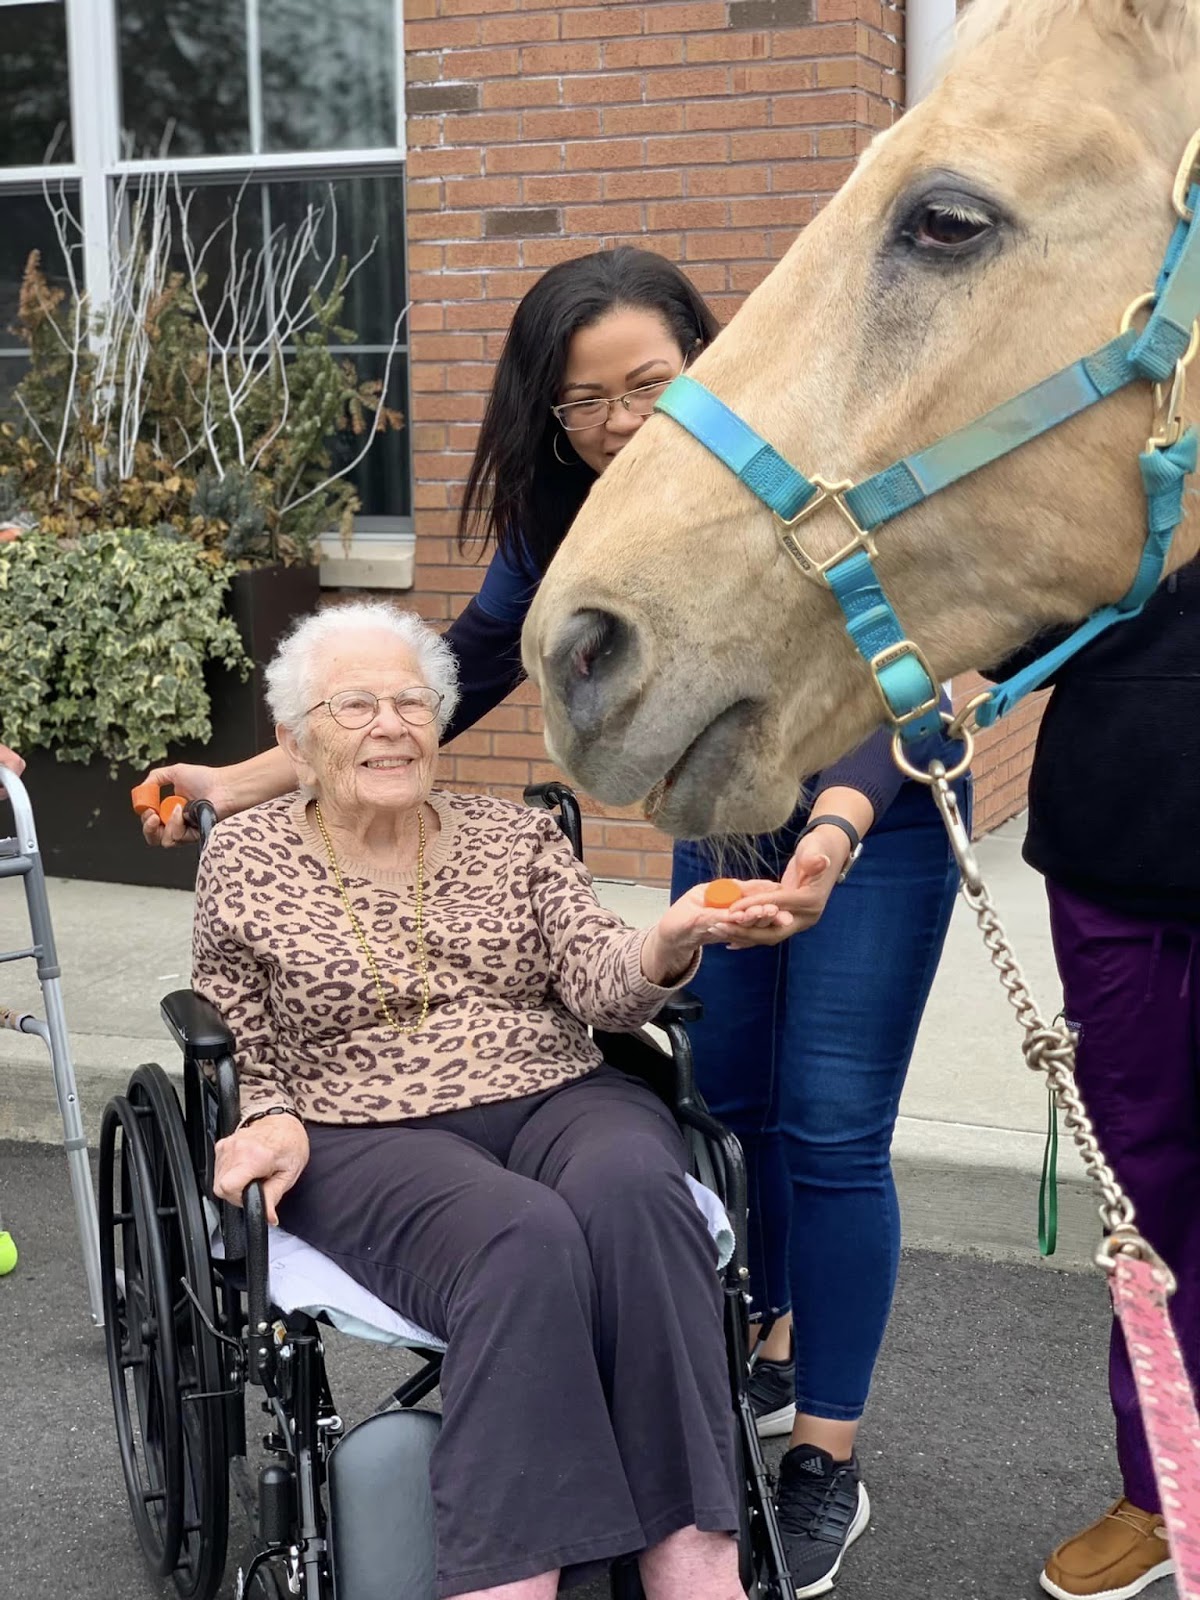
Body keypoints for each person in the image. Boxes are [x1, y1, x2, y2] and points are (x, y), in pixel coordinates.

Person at [141, 245, 967, 1595]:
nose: (620, 422)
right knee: (738, 1103)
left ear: (705, 353)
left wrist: (826, 837)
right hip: (735, 800)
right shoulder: (573, 512)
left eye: (648, 381)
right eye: (584, 401)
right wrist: (244, 781)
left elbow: (908, 682)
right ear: (548, 409)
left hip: (870, 806)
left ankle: (822, 1455)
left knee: (824, 1127)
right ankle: (742, 1362)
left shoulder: (802, 465)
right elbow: (444, 672)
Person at [199, 600, 795, 1600]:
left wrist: (668, 936)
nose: (393, 724)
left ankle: (692, 1554)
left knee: (639, 1197)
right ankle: (507, 1578)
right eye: (357, 706)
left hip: (556, 1090)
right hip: (359, 1124)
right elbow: (238, 1029)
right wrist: (262, 1116)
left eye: (412, 701)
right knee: (519, 1237)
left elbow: (604, 978)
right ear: (298, 739)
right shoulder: (247, 857)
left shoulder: (513, 837)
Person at [985, 564, 1199, 1600]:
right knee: (1142, 1199)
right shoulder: (1113, 437)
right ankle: (1161, 1491)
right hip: (1114, 861)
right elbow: (1013, 639)